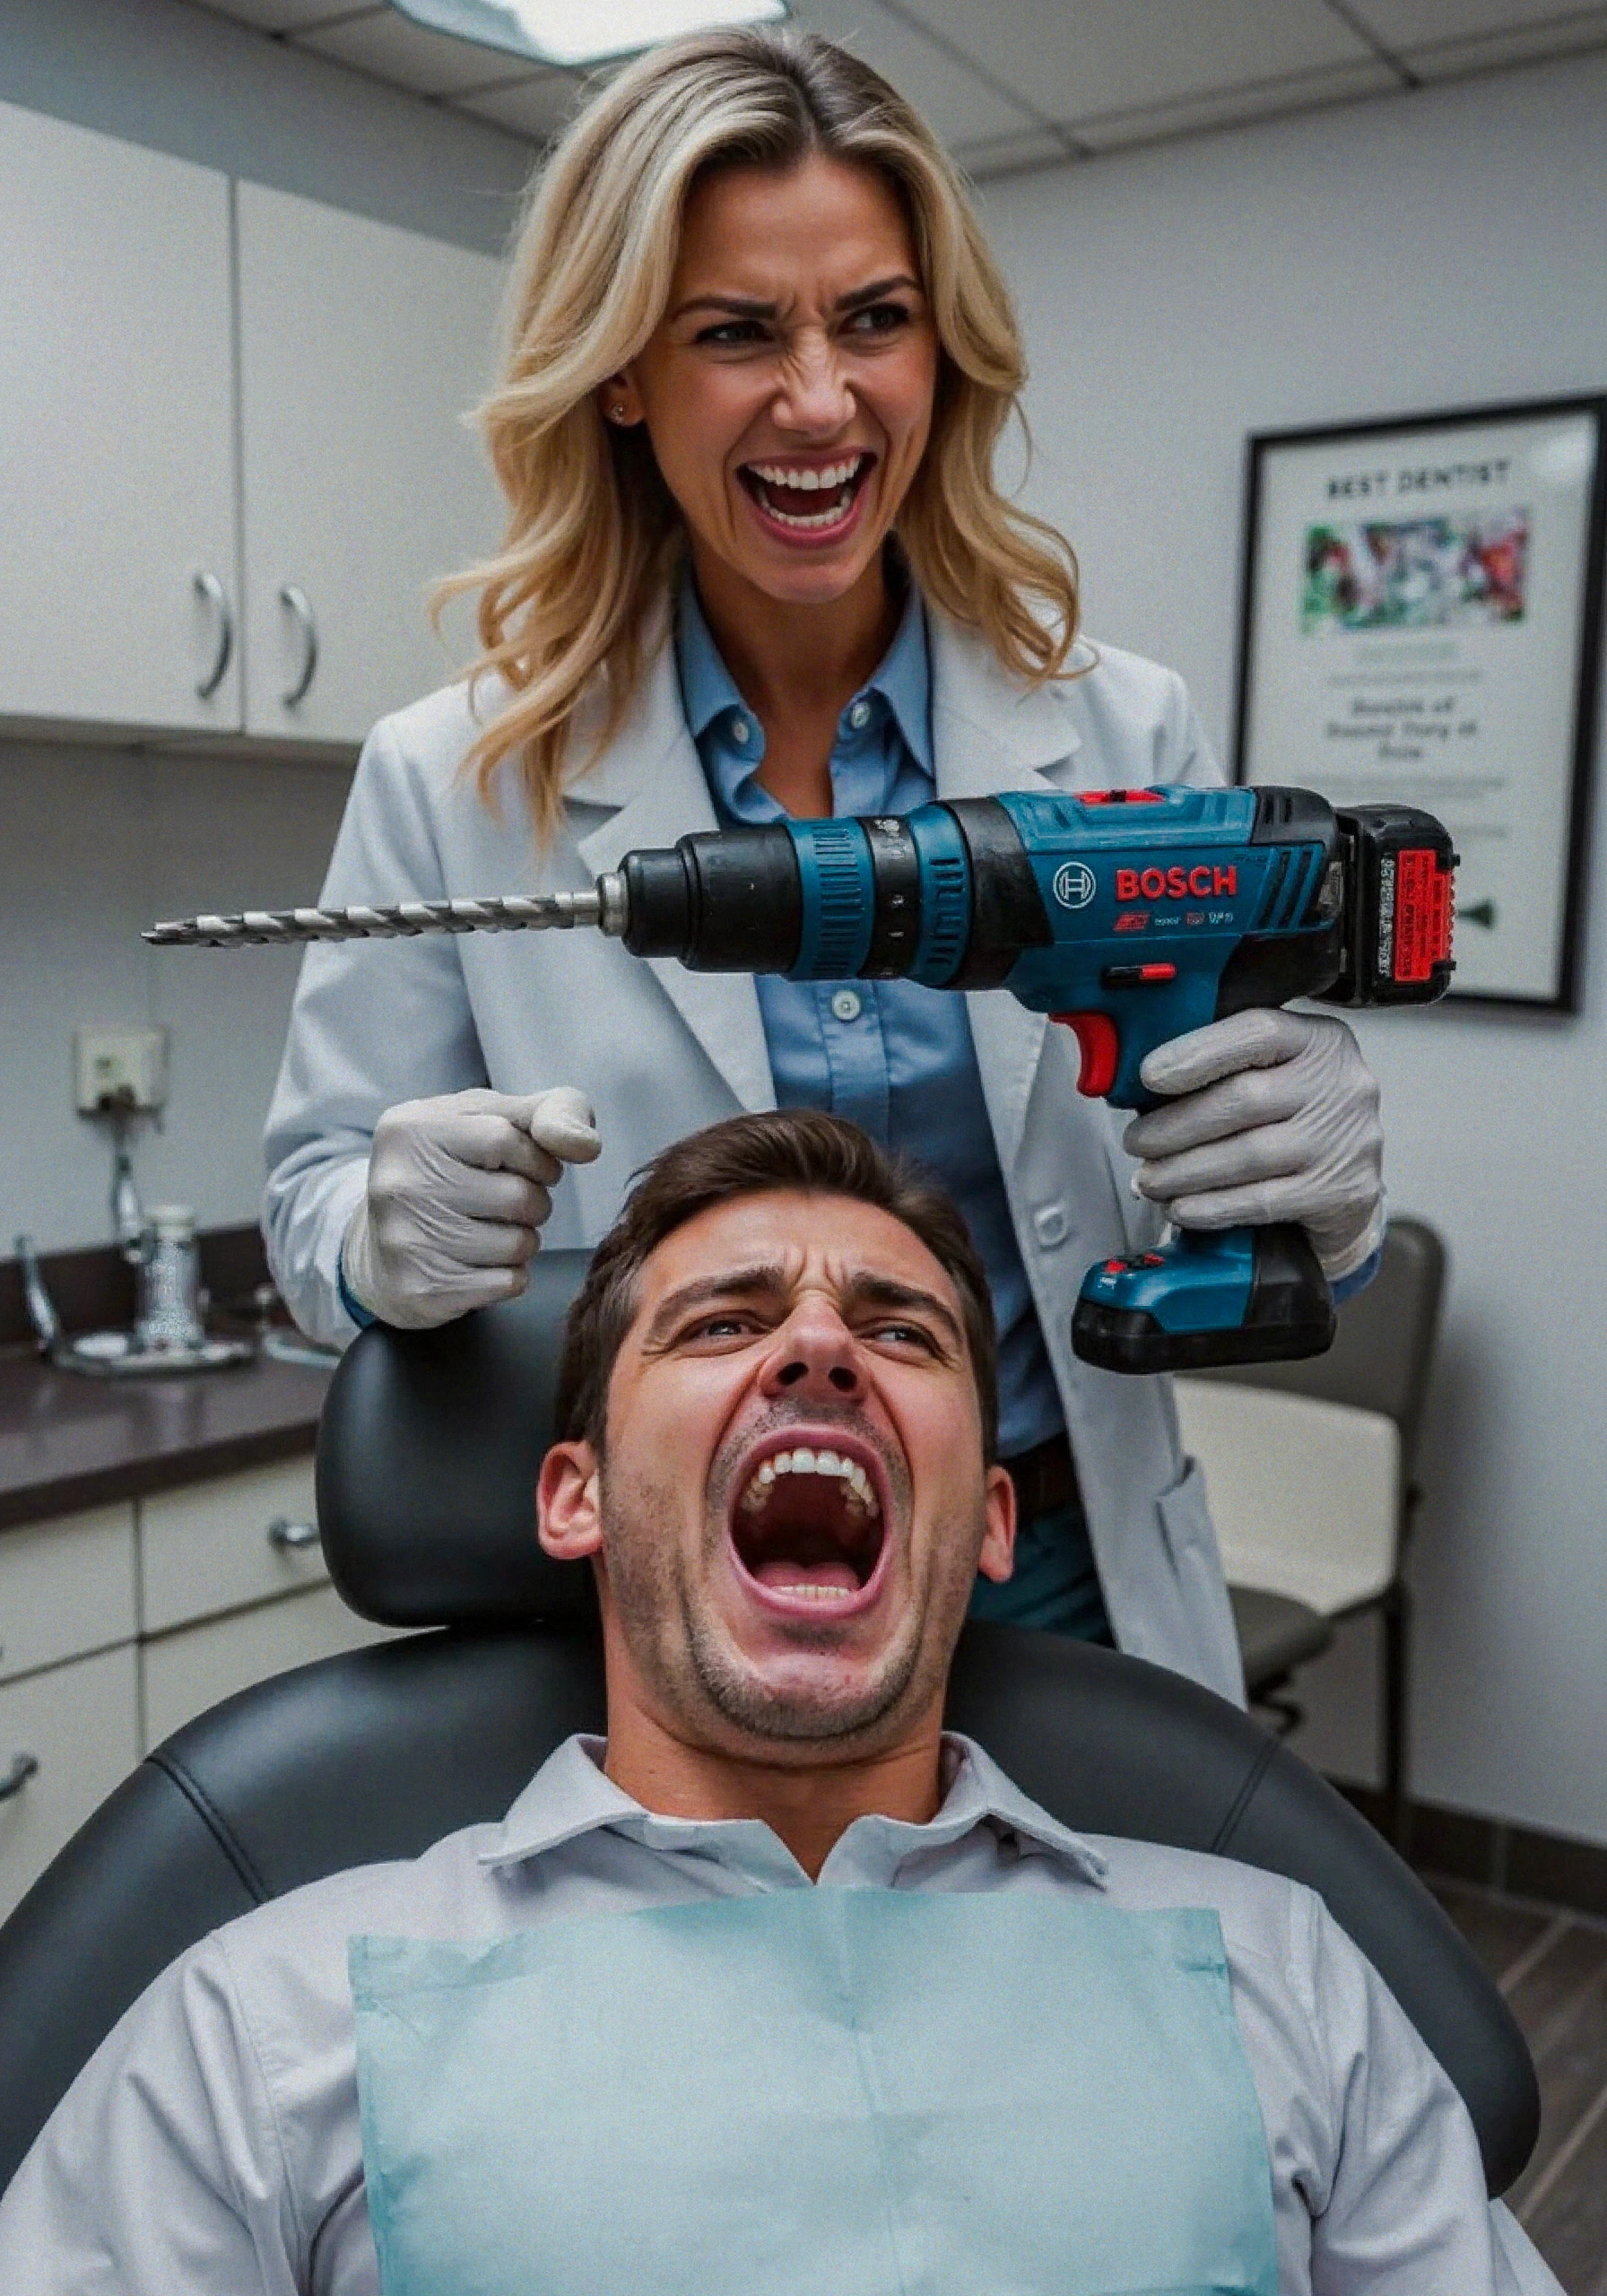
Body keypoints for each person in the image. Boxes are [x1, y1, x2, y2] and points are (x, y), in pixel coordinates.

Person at [263, 26, 1387, 1700]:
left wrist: (1316, 1182)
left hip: (1052, 1567)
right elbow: (310, 1207)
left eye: (874, 320)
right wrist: (378, 1236)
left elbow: (1177, 1168)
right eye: (735, 334)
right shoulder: (455, 779)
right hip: (684, 1611)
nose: (819, 399)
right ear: (626, 371)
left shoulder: (1122, 733)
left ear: (943, 351)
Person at [3, 1111, 1551, 2292]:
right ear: (575, 1498)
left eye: (899, 1332)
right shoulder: (263, 2025)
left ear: (995, 1522)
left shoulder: (1283, 1972)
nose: (819, 1348)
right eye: (725, 1324)